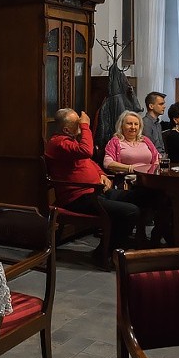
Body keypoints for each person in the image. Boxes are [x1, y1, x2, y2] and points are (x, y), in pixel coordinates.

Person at [44, 108, 140, 254]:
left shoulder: (70, 141)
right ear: (66, 129)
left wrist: (101, 174)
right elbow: (87, 151)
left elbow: (89, 161)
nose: (81, 124)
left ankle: (132, 244)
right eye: (77, 122)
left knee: (141, 197)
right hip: (79, 198)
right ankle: (106, 252)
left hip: (96, 192)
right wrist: (85, 126)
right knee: (130, 211)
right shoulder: (58, 143)